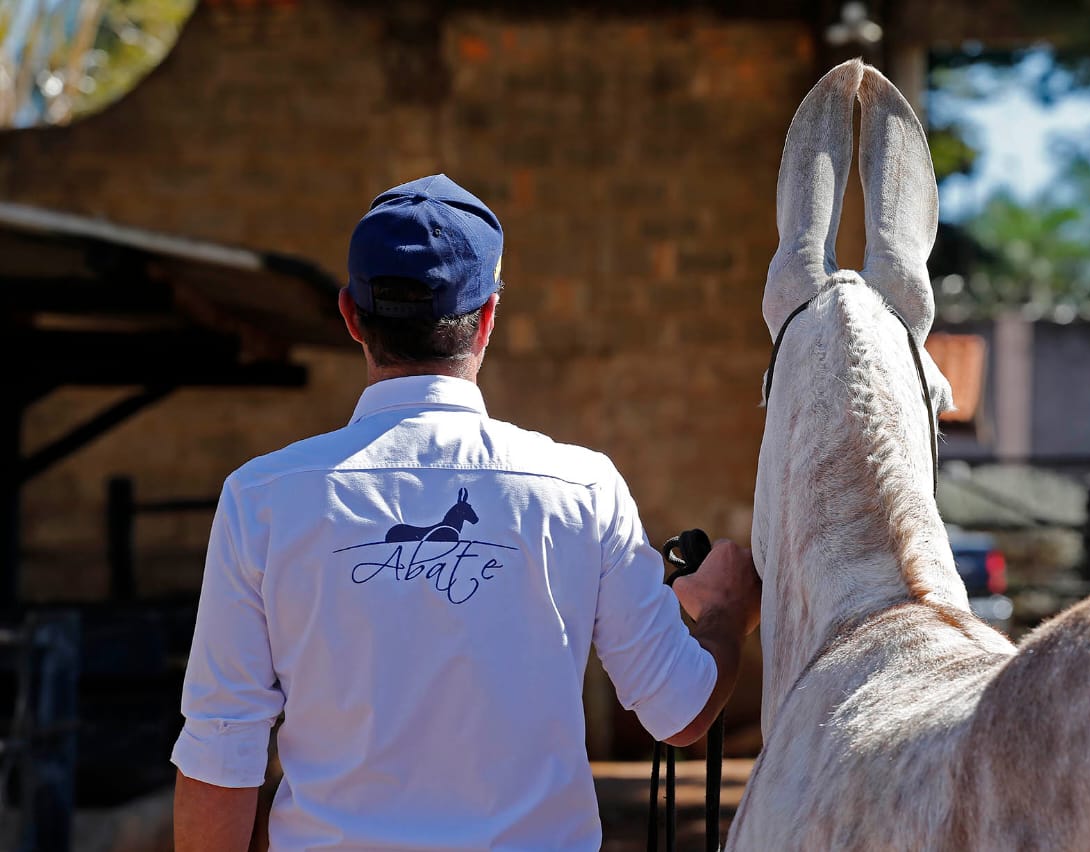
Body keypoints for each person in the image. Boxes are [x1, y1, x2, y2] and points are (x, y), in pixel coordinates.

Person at [171, 174, 761, 851]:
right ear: (487, 316)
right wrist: (724, 613)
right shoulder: (582, 488)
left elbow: (223, 750)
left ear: (351, 317)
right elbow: (680, 710)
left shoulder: (263, 498)